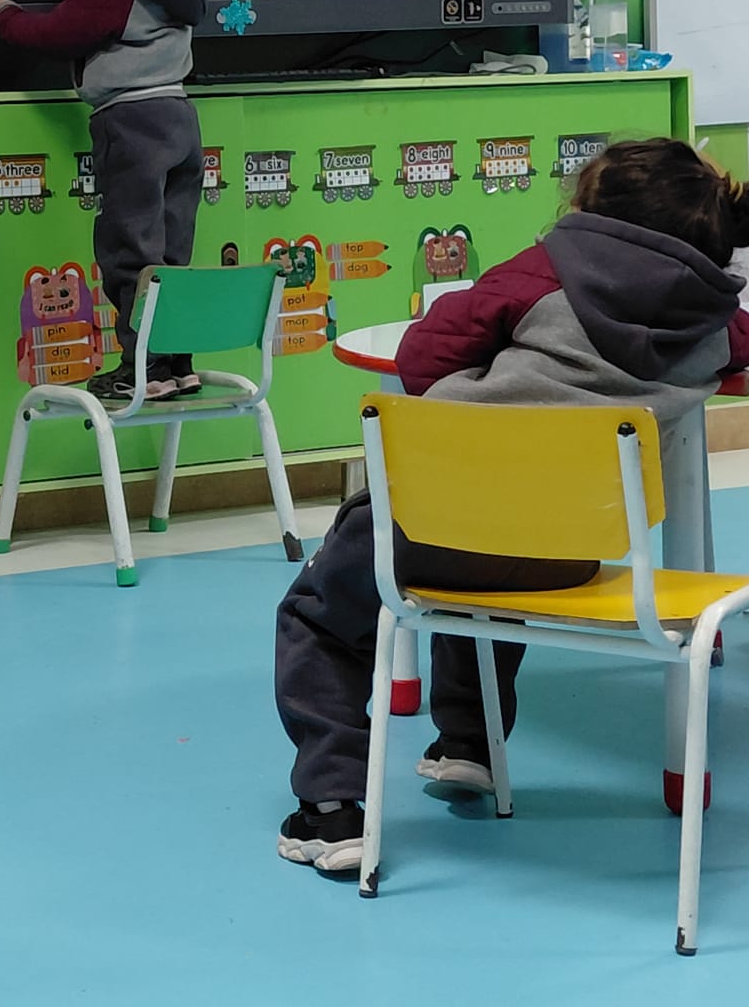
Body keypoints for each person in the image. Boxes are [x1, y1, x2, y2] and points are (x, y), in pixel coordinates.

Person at [274, 138, 749, 874]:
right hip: (567, 546)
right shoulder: (714, 323)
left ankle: (331, 807)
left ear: (591, 211)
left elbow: (423, 357)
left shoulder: (540, 274)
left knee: (319, 616)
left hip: (432, 515)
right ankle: (468, 744)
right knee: (493, 580)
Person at [0, 0, 206, 401]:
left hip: (130, 124)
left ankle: (144, 370)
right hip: (181, 118)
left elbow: (60, 32)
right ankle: (176, 362)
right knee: (171, 252)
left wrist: (4, 17)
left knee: (130, 251)